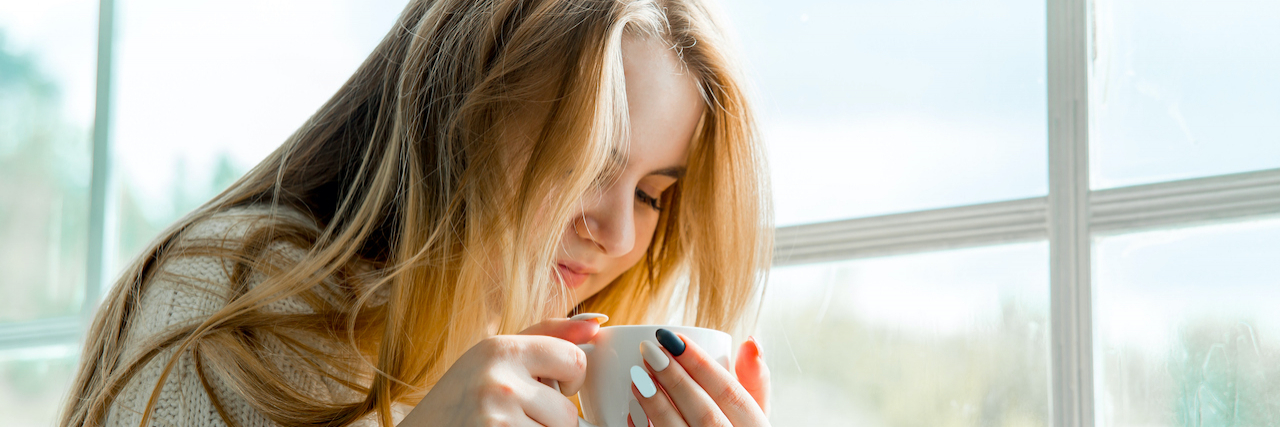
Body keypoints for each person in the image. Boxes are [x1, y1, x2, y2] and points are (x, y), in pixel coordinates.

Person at [60, 0, 773, 425]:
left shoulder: (522, 372)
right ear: (463, 119)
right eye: (588, 163)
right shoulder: (231, 299)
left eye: (654, 194)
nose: (618, 232)